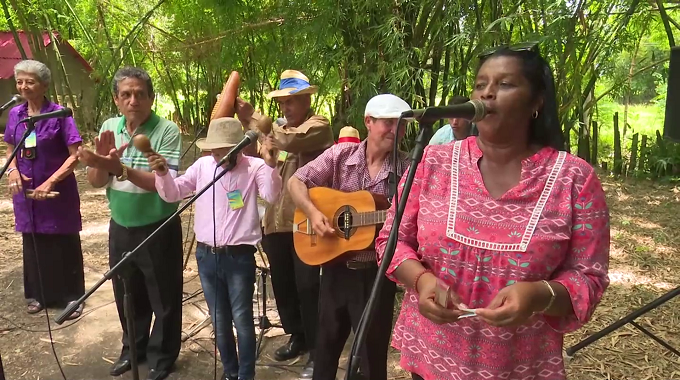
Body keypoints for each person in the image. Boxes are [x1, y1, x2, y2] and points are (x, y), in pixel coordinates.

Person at [376, 43, 610, 380]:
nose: (487, 94)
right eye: (480, 84)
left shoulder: (574, 178)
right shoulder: (434, 162)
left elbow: (589, 278)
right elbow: (391, 240)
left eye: (504, 84)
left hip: (520, 365)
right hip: (432, 355)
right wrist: (422, 280)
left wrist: (538, 295)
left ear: (536, 101)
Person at [288, 94, 412, 380]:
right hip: (334, 270)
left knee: (371, 360)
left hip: (376, 277)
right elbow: (297, 181)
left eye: (401, 125)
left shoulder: (407, 169)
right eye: (388, 123)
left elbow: (416, 223)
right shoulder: (340, 156)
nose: (395, 130)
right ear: (368, 122)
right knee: (326, 351)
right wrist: (313, 213)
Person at [147, 117, 281, 380]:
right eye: (214, 151)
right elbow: (173, 194)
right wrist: (163, 173)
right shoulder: (203, 166)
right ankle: (230, 372)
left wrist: (273, 165)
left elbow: (272, 196)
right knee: (219, 320)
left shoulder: (255, 167)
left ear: (239, 148)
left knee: (242, 319)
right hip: (206, 255)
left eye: (224, 151)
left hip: (239, 256)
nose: (218, 156)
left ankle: (245, 375)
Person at [77, 67, 183, 380]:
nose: (133, 99)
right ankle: (132, 351)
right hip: (120, 226)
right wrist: (99, 161)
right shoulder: (110, 126)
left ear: (151, 98)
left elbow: (164, 184)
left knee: (163, 296)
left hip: (158, 226)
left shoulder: (166, 131)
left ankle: (162, 357)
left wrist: (119, 168)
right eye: (126, 94)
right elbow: (97, 182)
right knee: (126, 293)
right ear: (116, 99)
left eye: (139, 93)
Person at [236, 69, 335, 378]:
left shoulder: (318, 126)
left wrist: (257, 120)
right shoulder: (278, 128)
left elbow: (291, 141)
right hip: (276, 221)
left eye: (291, 101)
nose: (285, 108)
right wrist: (250, 128)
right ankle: (298, 336)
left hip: (305, 220)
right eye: (282, 102)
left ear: (307, 99)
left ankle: (320, 350)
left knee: (308, 285)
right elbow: (259, 156)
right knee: (283, 284)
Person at [3, 59, 84, 319]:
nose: (24, 86)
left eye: (30, 81)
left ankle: (72, 297)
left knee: (62, 242)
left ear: (44, 84)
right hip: (27, 194)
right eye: (20, 81)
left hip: (57, 193)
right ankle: (38, 295)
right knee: (33, 242)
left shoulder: (60, 114)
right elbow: (9, 147)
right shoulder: (16, 114)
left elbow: (76, 155)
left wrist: (51, 180)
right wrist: (13, 170)